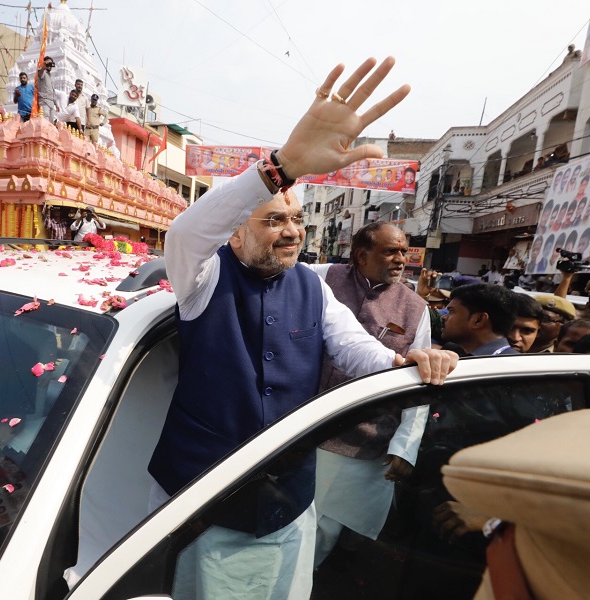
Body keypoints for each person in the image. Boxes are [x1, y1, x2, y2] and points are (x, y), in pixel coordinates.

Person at [145, 58, 458, 599]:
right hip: (208, 503)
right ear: (236, 233)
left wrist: (401, 364)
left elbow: (354, 346)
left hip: (291, 498)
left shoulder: (313, 288)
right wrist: (283, 164)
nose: (291, 232)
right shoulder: (204, 275)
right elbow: (188, 230)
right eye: (274, 220)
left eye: (296, 219)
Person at [308, 222, 431, 565]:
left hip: (361, 438)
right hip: (299, 424)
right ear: (361, 256)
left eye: (404, 251)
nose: (401, 259)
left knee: (327, 528)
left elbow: (418, 382)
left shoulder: (416, 308)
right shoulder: (320, 277)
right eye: (391, 251)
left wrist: (405, 447)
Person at [440, 283, 518, 356]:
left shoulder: (507, 366)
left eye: (451, 311)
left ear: (478, 320)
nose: (444, 317)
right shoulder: (457, 354)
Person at [36, 56, 60, 122]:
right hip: (44, 100)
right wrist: (43, 67)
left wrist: (56, 104)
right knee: (45, 119)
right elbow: (40, 74)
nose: (49, 65)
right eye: (48, 63)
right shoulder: (42, 71)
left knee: (51, 122)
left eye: (51, 64)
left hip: (51, 102)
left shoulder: (50, 76)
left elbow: (52, 90)